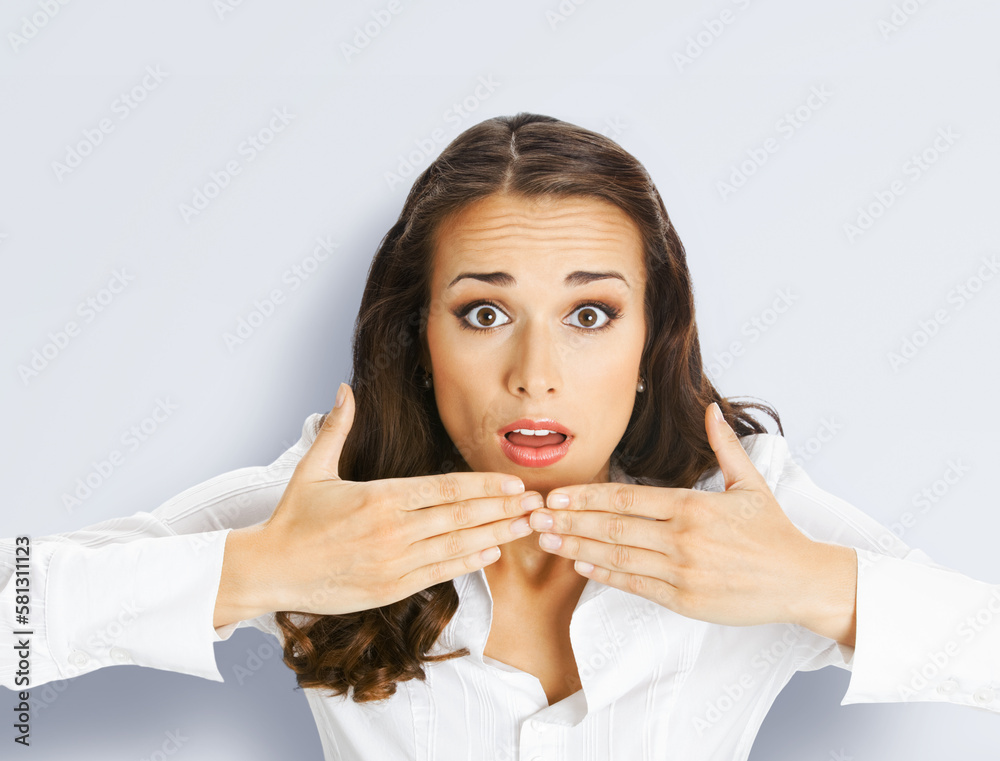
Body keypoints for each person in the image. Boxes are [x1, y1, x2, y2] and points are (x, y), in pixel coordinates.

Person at [2, 112, 998, 760]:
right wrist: (257, 567)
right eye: (483, 313)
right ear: (418, 334)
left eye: (591, 313)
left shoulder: (745, 507)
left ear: (653, 335)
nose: (534, 372)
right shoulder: (326, 501)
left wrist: (811, 587)